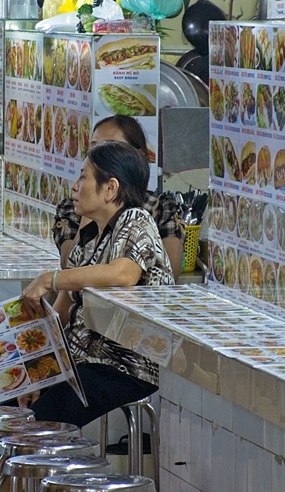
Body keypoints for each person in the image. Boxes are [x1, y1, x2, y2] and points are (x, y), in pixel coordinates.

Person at [18, 141, 177, 427]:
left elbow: (122, 274)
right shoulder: (90, 237)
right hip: (80, 360)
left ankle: (41, 471)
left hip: (124, 366)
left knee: (32, 422)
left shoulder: (136, 220)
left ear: (110, 188)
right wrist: (35, 367)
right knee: (5, 406)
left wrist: (49, 278)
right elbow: (61, 313)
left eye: (83, 177)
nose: (75, 187)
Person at [52, 115, 184, 276]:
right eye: (93, 148)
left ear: (137, 155)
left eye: (111, 148)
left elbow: (123, 275)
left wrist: (52, 280)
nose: (99, 156)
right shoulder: (76, 209)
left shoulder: (139, 218)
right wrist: (94, 210)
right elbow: (70, 269)